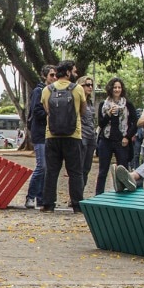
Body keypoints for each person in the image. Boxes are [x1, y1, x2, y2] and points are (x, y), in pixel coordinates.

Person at [41, 60, 86, 213]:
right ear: (67, 72)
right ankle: (77, 204)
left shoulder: (47, 90)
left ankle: (48, 204)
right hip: (73, 135)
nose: (76, 73)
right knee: (75, 172)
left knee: (51, 171)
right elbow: (82, 111)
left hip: (52, 135)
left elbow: (47, 110)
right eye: (74, 71)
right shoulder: (78, 89)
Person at [94, 77, 137, 195]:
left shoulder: (128, 104)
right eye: (115, 87)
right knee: (103, 170)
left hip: (121, 140)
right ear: (110, 89)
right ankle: (99, 195)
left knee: (123, 170)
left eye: (119, 87)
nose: (117, 90)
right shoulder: (103, 104)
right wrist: (108, 114)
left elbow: (134, 123)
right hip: (106, 139)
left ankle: (124, 196)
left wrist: (127, 137)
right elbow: (101, 124)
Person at [24, 65, 56, 209]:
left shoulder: (55, 91)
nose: (54, 78)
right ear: (44, 76)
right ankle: (30, 196)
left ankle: (41, 198)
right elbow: (36, 111)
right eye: (51, 75)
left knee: (47, 167)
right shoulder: (39, 91)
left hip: (51, 133)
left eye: (55, 75)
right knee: (41, 166)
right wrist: (51, 112)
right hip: (40, 132)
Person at [76, 75, 96, 189]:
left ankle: (81, 191)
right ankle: (76, 194)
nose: (90, 87)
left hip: (91, 136)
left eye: (91, 85)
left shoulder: (90, 102)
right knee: (79, 167)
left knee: (87, 168)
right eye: (87, 85)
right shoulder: (77, 100)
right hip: (81, 135)